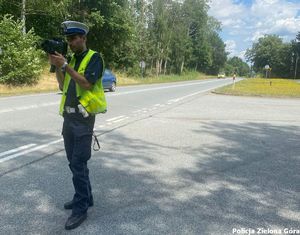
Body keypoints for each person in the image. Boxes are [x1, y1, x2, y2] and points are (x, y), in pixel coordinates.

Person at [49, 21, 107, 230]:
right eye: (68, 40)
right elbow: (63, 84)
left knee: (78, 163)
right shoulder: (71, 58)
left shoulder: (95, 58)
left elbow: (86, 84)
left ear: (83, 38)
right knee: (74, 163)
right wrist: (58, 68)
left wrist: (65, 65)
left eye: (74, 39)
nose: (71, 43)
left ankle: (81, 208)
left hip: (84, 119)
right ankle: (86, 196)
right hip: (69, 118)